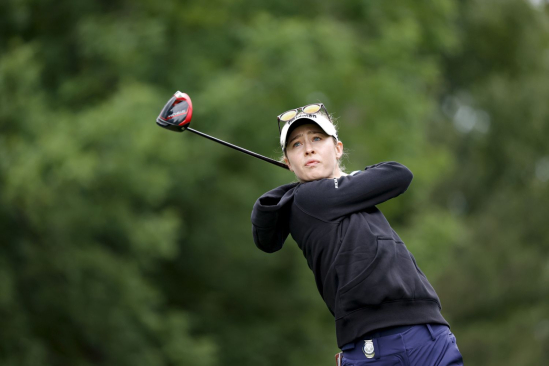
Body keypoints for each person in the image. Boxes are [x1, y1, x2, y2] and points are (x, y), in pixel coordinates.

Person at [250, 103, 464, 366]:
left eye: (317, 138)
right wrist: (346, 178)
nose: (308, 148)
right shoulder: (309, 198)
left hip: (429, 333)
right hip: (374, 347)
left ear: (337, 149)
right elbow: (397, 175)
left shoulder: (349, 197)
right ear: (289, 164)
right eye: (296, 145)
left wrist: (346, 178)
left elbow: (398, 175)